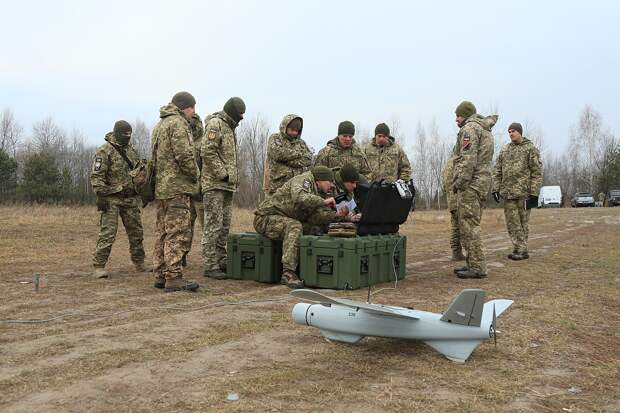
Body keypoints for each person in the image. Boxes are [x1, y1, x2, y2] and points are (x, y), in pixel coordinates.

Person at [254, 166, 349, 288]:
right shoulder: (304, 180)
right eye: (329, 182)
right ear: (319, 180)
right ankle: (288, 273)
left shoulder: (316, 191)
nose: (331, 185)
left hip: (282, 219)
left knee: (313, 229)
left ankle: (306, 269)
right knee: (294, 226)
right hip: (265, 218)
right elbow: (299, 198)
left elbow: (316, 218)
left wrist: (339, 216)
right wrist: (323, 201)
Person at [151, 91, 200, 292]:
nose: (194, 113)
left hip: (162, 188)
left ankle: (160, 274)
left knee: (163, 231)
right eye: (193, 108)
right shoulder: (178, 124)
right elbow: (185, 155)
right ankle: (174, 276)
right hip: (178, 187)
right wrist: (196, 174)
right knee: (178, 232)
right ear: (185, 107)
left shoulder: (160, 124)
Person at [90, 120, 146, 278]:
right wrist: (103, 194)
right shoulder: (104, 151)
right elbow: (96, 178)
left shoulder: (132, 150)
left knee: (136, 232)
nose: (127, 137)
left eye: (129, 135)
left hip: (130, 199)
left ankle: (139, 262)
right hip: (111, 199)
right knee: (108, 233)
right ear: (116, 133)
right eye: (124, 134)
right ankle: (99, 266)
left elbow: (138, 173)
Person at [201, 97, 246, 279]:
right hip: (214, 184)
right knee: (213, 224)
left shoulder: (230, 127)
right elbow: (207, 151)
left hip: (228, 186)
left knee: (224, 225)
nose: (242, 117)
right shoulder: (215, 124)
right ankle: (210, 264)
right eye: (240, 114)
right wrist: (223, 174)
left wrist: (232, 179)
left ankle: (221, 260)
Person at [452, 101, 497, 279]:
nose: (456, 119)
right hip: (481, 182)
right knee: (469, 224)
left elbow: (468, 159)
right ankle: (473, 263)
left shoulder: (470, 129)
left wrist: (459, 182)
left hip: (471, 183)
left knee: (469, 225)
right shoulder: (484, 129)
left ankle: (477, 267)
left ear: (466, 114)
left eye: (458, 115)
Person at [492, 122, 543, 260]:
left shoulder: (530, 149)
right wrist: (495, 189)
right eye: (509, 131)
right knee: (511, 223)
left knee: (522, 222)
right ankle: (519, 248)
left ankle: (521, 249)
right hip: (508, 194)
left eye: (513, 131)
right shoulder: (505, 150)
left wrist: (534, 193)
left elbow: (536, 173)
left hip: (524, 194)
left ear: (520, 132)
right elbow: (497, 170)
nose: (511, 133)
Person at [264, 114, 312, 195]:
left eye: (297, 130)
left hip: (297, 187)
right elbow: (278, 154)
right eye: (292, 129)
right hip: (277, 186)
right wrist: (299, 153)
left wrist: (286, 161)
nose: (294, 132)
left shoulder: (301, 143)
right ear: (285, 127)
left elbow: (308, 159)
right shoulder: (275, 138)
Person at [184, 112, 204, 267]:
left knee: (207, 228)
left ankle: (211, 259)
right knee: (185, 227)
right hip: (188, 193)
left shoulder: (204, 144)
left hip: (202, 194)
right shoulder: (187, 143)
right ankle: (181, 255)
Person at [441, 155, 465, 261]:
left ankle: (456, 253)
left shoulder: (448, 164)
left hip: (451, 201)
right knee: (465, 227)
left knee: (455, 228)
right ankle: (472, 254)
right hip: (460, 199)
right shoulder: (460, 161)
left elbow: (443, 186)